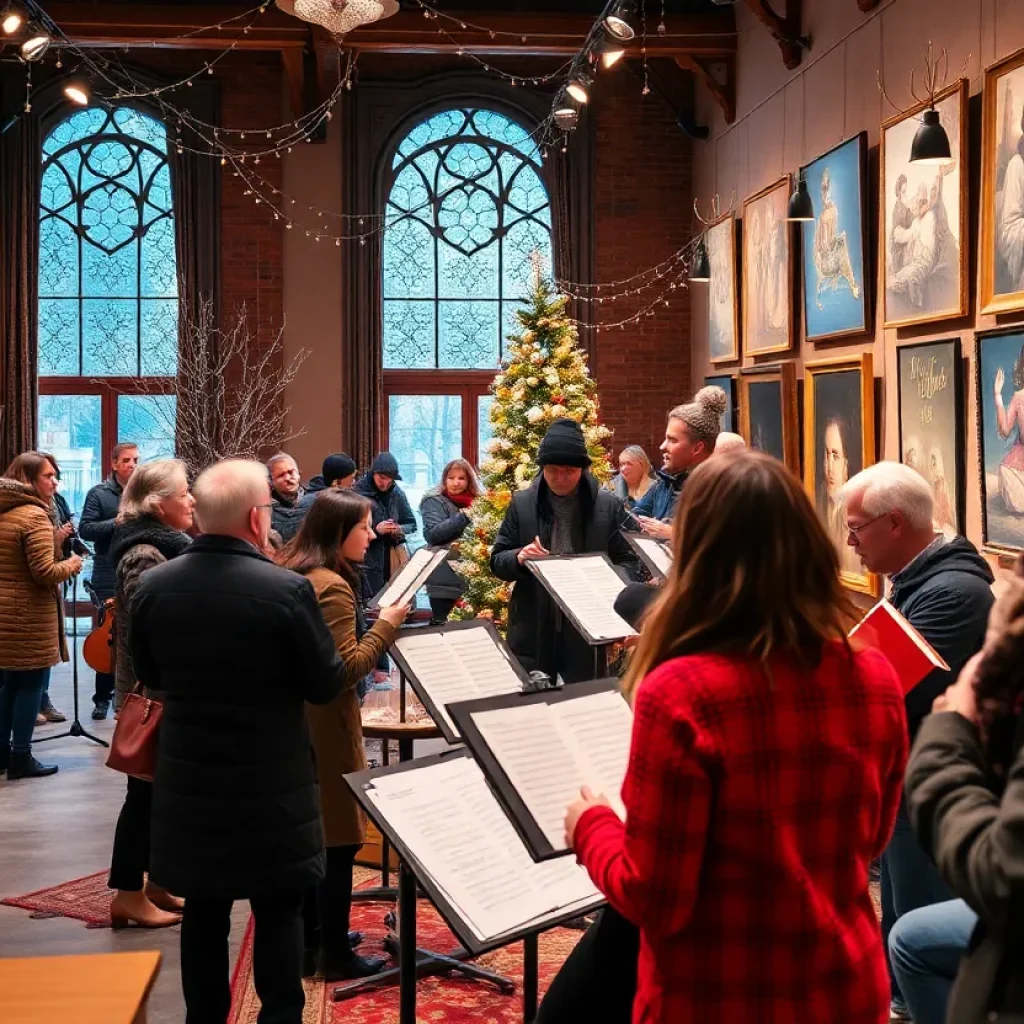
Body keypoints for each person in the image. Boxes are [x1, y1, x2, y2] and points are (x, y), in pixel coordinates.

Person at [563, 451, 908, 1024]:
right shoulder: (874, 676)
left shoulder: (681, 691)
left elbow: (656, 898)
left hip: (719, 991)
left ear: (697, 554)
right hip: (841, 984)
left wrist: (592, 825)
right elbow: (871, 839)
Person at [130, 459, 350, 1023]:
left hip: (190, 779)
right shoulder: (285, 590)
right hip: (271, 780)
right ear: (257, 518)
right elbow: (325, 683)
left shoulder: (155, 586)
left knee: (203, 911)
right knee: (279, 911)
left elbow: (149, 673)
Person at [841, 461, 995, 1021]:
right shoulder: (917, 583)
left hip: (927, 789)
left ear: (896, 524)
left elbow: (872, 690)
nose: (850, 540)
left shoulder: (952, 594)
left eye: (857, 527)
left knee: (916, 936)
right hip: (908, 779)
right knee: (900, 930)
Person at [277, 489, 410, 979]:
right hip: (327, 726)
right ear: (339, 534)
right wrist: (387, 627)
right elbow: (343, 669)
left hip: (299, 724)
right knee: (339, 843)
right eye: (363, 527)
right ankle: (333, 953)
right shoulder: (330, 585)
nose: (371, 535)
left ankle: (315, 938)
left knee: (319, 836)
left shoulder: (297, 570)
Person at [894, 557, 1024, 1024]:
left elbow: (1001, 879)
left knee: (914, 941)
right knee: (910, 933)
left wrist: (948, 732)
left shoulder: (957, 591)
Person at [105, 459, 194, 929]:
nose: (192, 501)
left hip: (159, 686)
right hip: (150, 691)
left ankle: (157, 882)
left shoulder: (164, 546)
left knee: (161, 794)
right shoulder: (144, 552)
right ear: (159, 505)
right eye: (183, 494)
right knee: (141, 796)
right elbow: (150, 627)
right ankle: (126, 893)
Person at [490, 419, 639, 684]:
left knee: (586, 705)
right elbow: (497, 560)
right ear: (542, 468)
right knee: (533, 707)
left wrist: (607, 580)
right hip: (533, 625)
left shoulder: (608, 506)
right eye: (552, 470)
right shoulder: (522, 503)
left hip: (590, 627)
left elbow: (629, 560)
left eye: (569, 471)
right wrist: (519, 557)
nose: (560, 479)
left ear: (583, 469)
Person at [0, 453, 83, 779]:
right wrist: (74, 563)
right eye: (48, 476)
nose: (55, 482)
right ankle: (21, 757)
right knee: (31, 685)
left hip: (7, 614)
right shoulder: (33, 516)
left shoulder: (5, 511)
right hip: (27, 617)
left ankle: (3, 755)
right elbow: (45, 572)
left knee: (9, 686)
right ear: (29, 480)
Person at [79, 442, 139, 720]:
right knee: (110, 637)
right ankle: (102, 698)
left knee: (135, 635)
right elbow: (86, 529)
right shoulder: (98, 494)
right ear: (114, 464)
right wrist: (116, 522)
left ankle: (130, 695)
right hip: (106, 571)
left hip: (137, 567)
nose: (132, 465)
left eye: (136, 460)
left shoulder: (142, 493)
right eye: (126, 460)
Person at [632, 386, 726, 540]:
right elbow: (634, 518)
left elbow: (724, 545)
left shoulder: (720, 490)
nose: (662, 447)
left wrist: (672, 534)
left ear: (697, 448)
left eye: (672, 440)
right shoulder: (664, 483)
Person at [420, 458, 481, 625]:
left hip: (472, 577)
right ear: (444, 479)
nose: (456, 483)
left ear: (469, 481)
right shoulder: (433, 501)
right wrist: (464, 516)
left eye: (461, 478)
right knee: (442, 625)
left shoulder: (478, 502)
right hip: (443, 578)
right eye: (451, 477)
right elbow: (434, 534)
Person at [353, 452, 417, 598]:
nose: (386, 483)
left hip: (393, 555)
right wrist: (376, 529)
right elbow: (350, 530)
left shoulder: (397, 492)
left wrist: (399, 529)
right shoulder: (358, 493)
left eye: (390, 479)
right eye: (382, 478)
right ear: (373, 473)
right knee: (371, 603)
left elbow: (411, 524)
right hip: (367, 558)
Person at [813, 166, 861, 309]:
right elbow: (823, 246)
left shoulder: (830, 211)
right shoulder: (825, 215)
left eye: (827, 190)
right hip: (826, 262)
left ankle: (852, 283)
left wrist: (836, 239)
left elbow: (827, 242)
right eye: (824, 190)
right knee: (842, 244)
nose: (825, 193)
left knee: (842, 242)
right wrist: (837, 240)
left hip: (828, 258)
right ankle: (852, 283)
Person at [993, 344, 1024, 514]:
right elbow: (1005, 431)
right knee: (1005, 472)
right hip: (1018, 468)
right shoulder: (1019, 397)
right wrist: (997, 395)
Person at [268, 452, 308, 543]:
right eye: (281, 475)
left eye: (291, 472)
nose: (287, 478)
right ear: (271, 481)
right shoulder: (267, 510)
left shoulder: (314, 502)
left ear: (298, 473)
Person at [607, 445, 654, 510]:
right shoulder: (612, 486)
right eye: (621, 464)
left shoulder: (657, 487)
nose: (623, 468)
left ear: (641, 465)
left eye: (629, 464)